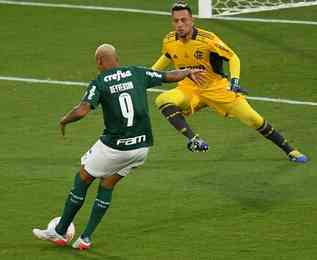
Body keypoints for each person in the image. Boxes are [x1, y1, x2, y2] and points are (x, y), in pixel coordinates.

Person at [32, 43, 204, 250]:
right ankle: (85, 238)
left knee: (83, 178)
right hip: (141, 147)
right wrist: (188, 72)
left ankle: (59, 231)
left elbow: (82, 110)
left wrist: (64, 120)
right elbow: (169, 75)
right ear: (117, 59)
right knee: (107, 184)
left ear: (99, 62)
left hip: (115, 147)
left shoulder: (100, 82)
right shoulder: (137, 72)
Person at [151, 1, 308, 162]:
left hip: (217, 88)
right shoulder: (169, 40)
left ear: (192, 20)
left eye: (184, 20)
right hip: (189, 89)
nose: (180, 24)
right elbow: (167, 56)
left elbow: (233, 57)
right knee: (163, 99)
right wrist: (149, 75)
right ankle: (194, 139)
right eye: (176, 21)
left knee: (254, 119)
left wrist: (234, 81)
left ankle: (291, 150)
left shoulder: (208, 40)